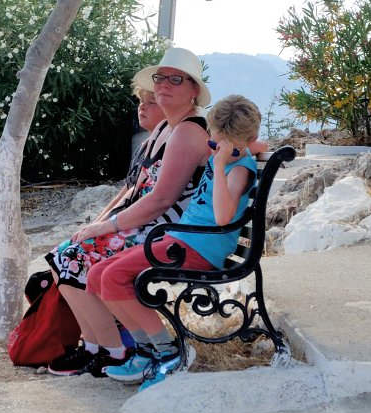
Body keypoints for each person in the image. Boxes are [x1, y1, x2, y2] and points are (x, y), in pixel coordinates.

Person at [45, 47, 215, 376]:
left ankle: (113, 349)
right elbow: (134, 190)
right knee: (63, 257)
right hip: (147, 225)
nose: (164, 85)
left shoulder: (189, 131)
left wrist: (106, 227)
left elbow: (161, 200)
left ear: (193, 90)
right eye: (160, 78)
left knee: (71, 257)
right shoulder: (167, 128)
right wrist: (101, 224)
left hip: (165, 232)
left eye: (176, 80)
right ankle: (96, 346)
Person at [93, 94, 263, 390]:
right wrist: (246, 148)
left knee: (113, 277)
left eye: (226, 147)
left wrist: (220, 163)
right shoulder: (235, 150)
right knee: (97, 275)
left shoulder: (236, 170)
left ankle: (169, 353)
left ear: (245, 141)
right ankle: (146, 351)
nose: (217, 150)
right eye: (213, 143)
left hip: (200, 248)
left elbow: (223, 217)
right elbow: (259, 146)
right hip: (182, 239)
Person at [94, 85, 167, 221]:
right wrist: (96, 223)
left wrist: (102, 225)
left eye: (151, 102)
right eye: (141, 101)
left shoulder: (168, 147)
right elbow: (126, 191)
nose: (142, 107)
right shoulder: (142, 148)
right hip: (125, 218)